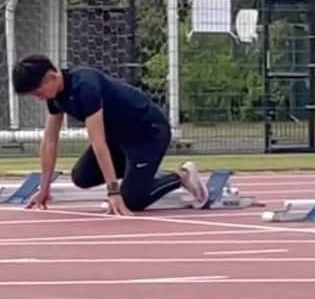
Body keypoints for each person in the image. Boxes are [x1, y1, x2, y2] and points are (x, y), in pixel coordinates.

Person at [11, 55, 209, 215]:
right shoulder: (54, 98)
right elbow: (49, 142)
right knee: (81, 177)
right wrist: (44, 189)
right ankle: (141, 174)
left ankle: (182, 176)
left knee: (132, 200)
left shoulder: (85, 86)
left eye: (38, 93)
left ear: (51, 77)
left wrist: (113, 192)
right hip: (118, 138)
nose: (38, 99)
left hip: (147, 133)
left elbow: (98, 142)